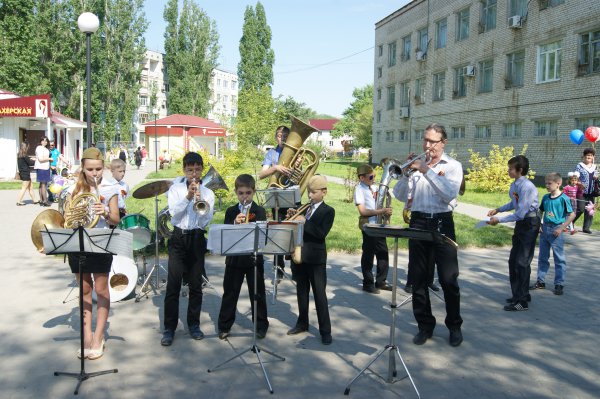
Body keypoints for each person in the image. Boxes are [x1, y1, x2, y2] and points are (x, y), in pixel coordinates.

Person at [392, 123, 463, 347]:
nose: (427, 145)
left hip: (442, 222)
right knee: (419, 279)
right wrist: (405, 174)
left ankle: (454, 326)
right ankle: (425, 326)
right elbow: (400, 196)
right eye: (425, 140)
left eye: (432, 141)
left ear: (443, 142)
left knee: (449, 279)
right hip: (419, 221)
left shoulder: (453, 166)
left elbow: (448, 193)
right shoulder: (416, 167)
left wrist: (426, 170)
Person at [64, 147, 120, 360]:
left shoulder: (110, 187)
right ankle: (86, 336)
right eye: (90, 169)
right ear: (83, 168)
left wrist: (104, 211)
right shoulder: (74, 188)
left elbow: (116, 219)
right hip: (78, 242)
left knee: (101, 289)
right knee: (84, 289)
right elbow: (68, 217)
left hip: (100, 242)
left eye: (98, 169)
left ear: (103, 167)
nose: (95, 173)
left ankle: (98, 336)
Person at [161, 152, 215, 346]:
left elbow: (205, 220)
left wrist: (199, 202)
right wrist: (188, 197)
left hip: (197, 238)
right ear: (184, 169)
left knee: (195, 286)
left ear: (202, 170)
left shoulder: (208, 193)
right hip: (178, 238)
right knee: (173, 285)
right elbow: (174, 215)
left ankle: (194, 325)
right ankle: (169, 328)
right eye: (190, 169)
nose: (194, 173)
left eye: (197, 169)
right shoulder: (175, 189)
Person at [217, 174, 269, 340]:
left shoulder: (259, 211)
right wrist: (234, 224)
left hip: (254, 258)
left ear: (253, 192)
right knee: (230, 293)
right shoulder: (231, 211)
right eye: (241, 193)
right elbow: (225, 233)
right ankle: (224, 326)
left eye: (248, 193)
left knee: (258, 292)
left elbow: (262, 235)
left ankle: (261, 326)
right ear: (236, 192)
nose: (244, 197)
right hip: (234, 258)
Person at [487, 155, 540, 312]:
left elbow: (521, 213)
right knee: (513, 261)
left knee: (522, 261)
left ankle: (522, 301)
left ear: (520, 170)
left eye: (511, 168)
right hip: (522, 224)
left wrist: (499, 219)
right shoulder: (516, 184)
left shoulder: (528, 187)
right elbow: (514, 203)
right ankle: (520, 293)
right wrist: (498, 209)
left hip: (529, 223)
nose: (508, 171)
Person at [287, 175, 335, 345]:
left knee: (320, 295)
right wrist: (293, 216)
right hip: (300, 257)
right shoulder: (305, 208)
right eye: (308, 191)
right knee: (301, 292)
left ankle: (325, 331)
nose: (309, 195)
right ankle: (302, 323)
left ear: (324, 192)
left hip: (316, 259)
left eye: (313, 192)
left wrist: (304, 221)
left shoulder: (328, 211)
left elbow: (320, 233)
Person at [530, 173, 575, 297]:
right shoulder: (545, 197)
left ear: (558, 184)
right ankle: (540, 281)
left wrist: (561, 227)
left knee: (559, 258)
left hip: (556, 231)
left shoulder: (563, 198)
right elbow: (540, 211)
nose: (546, 186)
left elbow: (572, 215)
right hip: (545, 230)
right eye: (546, 183)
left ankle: (559, 283)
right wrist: (539, 224)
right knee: (542, 257)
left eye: (549, 183)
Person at [258, 125, 294, 279]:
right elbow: (261, 174)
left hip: (292, 195)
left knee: (294, 231)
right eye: (279, 135)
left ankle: (296, 266)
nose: (282, 137)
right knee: (278, 231)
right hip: (276, 196)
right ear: (275, 137)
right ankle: (278, 268)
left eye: (286, 135)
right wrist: (275, 168)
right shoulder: (271, 154)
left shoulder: (295, 151)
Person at [354, 164, 392, 294]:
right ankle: (368, 283)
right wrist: (381, 211)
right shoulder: (359, 189)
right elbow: (363, 211)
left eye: (375, 176)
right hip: (369, 226)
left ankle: (381, 281)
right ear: (362, 178)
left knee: (383, 253)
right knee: (368, 255)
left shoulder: (374, 187)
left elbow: (385, 198)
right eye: (371, 176)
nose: (374, 178)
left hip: (379, 225)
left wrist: (387, 213)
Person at [574, 148, 597, 234]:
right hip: (581, 191)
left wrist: (596, 177)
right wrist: (579, 183)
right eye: (587, 155)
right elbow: (575, 178)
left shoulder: (595, 167)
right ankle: (570, 222)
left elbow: (596, 176)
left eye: (591, 155)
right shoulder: (579, 166)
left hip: (591, 192)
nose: (589, 157)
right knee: (580, 208)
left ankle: (586, 227)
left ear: (593, 157)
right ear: (583, 156)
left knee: (590, 210)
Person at [34, 137, 52, 207]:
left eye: (46, 141)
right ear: (40, 141)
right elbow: (41, 159)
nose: (44, 142)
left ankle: (42, 200)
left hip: (45, 167)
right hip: (42, 167)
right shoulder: (39, 148)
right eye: (43, 140)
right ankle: (45, 200)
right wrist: (49, 159)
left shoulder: (45, 148)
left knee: (42, 184)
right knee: (43, 184)